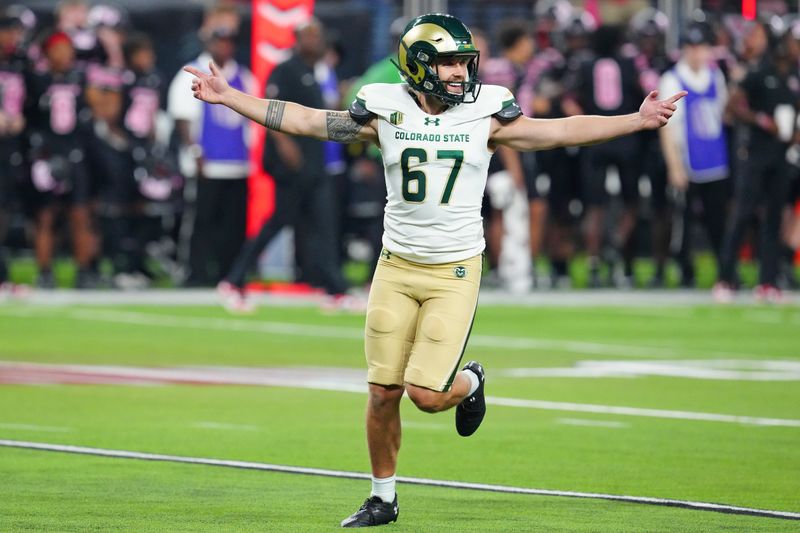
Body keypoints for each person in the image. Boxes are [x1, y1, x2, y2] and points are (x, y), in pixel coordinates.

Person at [184, 13, 684, 527]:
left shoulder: (486, 111)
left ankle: (470, 381)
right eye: (449, 63)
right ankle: (383, 497)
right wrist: (229, 98)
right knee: (382, 392)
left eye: (464, 62)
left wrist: (635, 120)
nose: (460, 73)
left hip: (454, 271)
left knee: (425, 395)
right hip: (395, 265)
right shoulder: (384, 108)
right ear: (421, 65)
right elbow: (307, 119)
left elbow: (558, 132)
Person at [216, 17, 348, 312]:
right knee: (278, 223)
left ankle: (334, 288)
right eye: (308, 36)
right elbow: (271, 111)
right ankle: (234, 280)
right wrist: (284, 144)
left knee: (323, 225)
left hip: (315, 163)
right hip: (291, 166)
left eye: (317, 36)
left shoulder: (318, 72)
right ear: (297, 40)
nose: (314, 41)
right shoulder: (285, 70)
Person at [168, 5, 254, 286]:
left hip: (238, 163)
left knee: (233, 225)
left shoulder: (244, 76)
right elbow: (182, 116)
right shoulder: (192, 72)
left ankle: (227, 274)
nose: (225, 47)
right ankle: (195, 273)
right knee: (201, 223)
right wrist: (194, 151)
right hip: (207, 162)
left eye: (230, 41)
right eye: (220, 41)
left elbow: (253, 120)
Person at [715, 21, 800, 304]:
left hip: (780, 156)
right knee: (742, 213)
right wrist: (763, 121)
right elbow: (732, 106)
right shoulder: (759, 72)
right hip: (754, 154)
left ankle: (768, 280)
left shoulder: (793, 77)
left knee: (774, 218)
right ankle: (725, 277)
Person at [659, 22, 730, 288]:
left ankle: (725, 270)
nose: (698, 53)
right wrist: (675, 165)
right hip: (688, 158)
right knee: (684, 221)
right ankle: (684, 270)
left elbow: (722, 113)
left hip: (715, 157)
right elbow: (667, 128)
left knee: (717, 219)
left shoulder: (715, 76)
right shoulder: (673, 79)